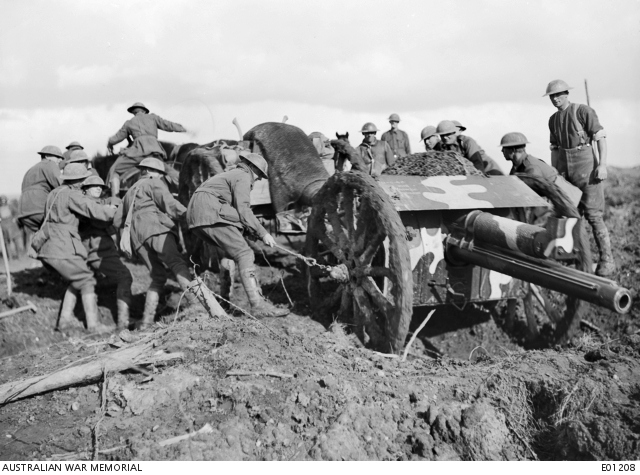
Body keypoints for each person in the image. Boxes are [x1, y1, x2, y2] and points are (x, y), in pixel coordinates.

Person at [187, 151, 289, 318]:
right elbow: (243, 210)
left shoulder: (231, 174)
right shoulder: (243, 176)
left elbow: (234, 213)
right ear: (252, 168)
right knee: (245, 253)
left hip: (198, 215)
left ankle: (224, 301)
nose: (259, 179)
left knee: (230, 254)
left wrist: (250, 229)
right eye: (259, 175)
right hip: (210, 212)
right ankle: (258, 305)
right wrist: (263, 233)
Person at [113, 157, 196, 330]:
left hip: (137, 240)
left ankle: (146, 322)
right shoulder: (154, 183)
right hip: (156, 229)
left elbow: (116, 220)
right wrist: (191, 216)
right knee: (177, 264)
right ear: (153, 172)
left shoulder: (129, 192)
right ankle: (198, 307)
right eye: (160, 174)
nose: (161, 177)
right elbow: (170, 204)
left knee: (158, 277)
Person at [544, 79, 615, 276]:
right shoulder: (553, 120)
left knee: (593, 215)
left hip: (589, 173)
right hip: (568, 174)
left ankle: (606, 259)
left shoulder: (583, 111)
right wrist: (555, 175)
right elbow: (555, 150)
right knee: (570, 215)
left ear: (567, 94)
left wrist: (602, 165)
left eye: (559, 95)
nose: (556, 99)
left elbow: (600, 138)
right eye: (552, 96)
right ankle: (576, 260)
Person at [36, 163, 117, 332]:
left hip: (48, 245)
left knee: (77, 279)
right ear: (78, 181)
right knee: (87, 280)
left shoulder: (54, 193)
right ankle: (94, 325)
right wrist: (111, 210)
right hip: (63, 246)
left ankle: (64, 321)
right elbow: (91, 208)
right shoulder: (72, 195)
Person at [73, 176, 133, 330]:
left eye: (100, 186)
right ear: (85, 189)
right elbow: (103, 219)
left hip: (93, 251)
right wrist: (114, 200)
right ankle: (123, 322)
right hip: (98, 252)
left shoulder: (93, 203)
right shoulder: (88, 204)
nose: (99, 188)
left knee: (80, 283)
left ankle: (74, 320)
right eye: (94, 186)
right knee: (124, 276)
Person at [106, 102, 186, 196]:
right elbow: (168, 125)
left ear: (133, 112)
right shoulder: (152, 117)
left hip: (136, 153)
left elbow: (116, 138)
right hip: (155, 152)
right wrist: (183, 129)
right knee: (169, 170)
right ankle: (184, 187)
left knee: (114, 169)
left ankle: (115, 199)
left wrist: (109, 144)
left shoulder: (129, 123)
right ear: (144, 111)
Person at [18, 146, 63, 234]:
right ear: (46, 156)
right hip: (40, 209)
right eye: (57, 157)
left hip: (24, 212)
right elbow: (62, 185)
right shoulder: (50, 164)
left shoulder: (31, 169)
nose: (60, 160)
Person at [436, 120, 502, 175]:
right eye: (442, 135)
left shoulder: (467, 142)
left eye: (448, 134)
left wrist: (478, 177)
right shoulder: (445, 147)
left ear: (454, 133)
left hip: (490, 171)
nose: (444, 137)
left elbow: (477, 161)